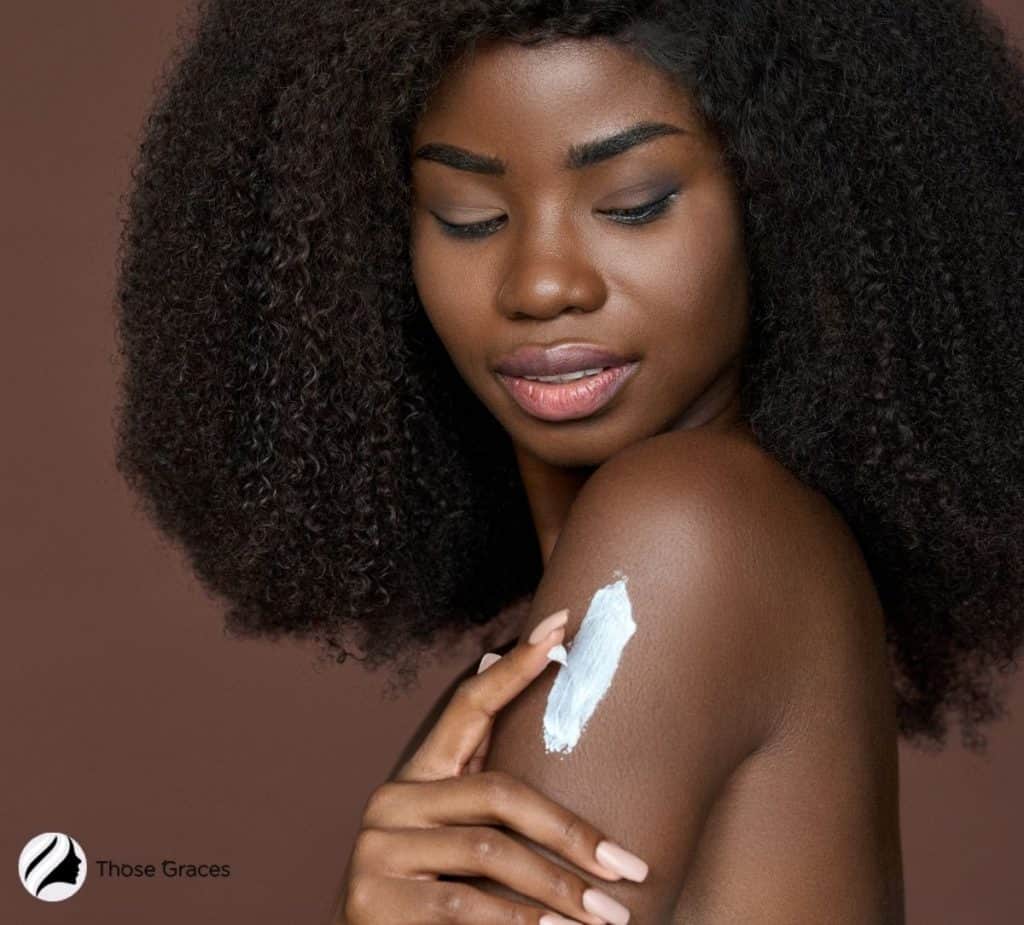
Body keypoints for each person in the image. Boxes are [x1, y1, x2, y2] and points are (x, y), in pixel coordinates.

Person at [113, 1, 1024, 922]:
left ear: (786, 204)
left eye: (634, 204)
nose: (542, 282)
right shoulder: (547, 649)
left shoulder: (683, 530)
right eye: (468, 217)